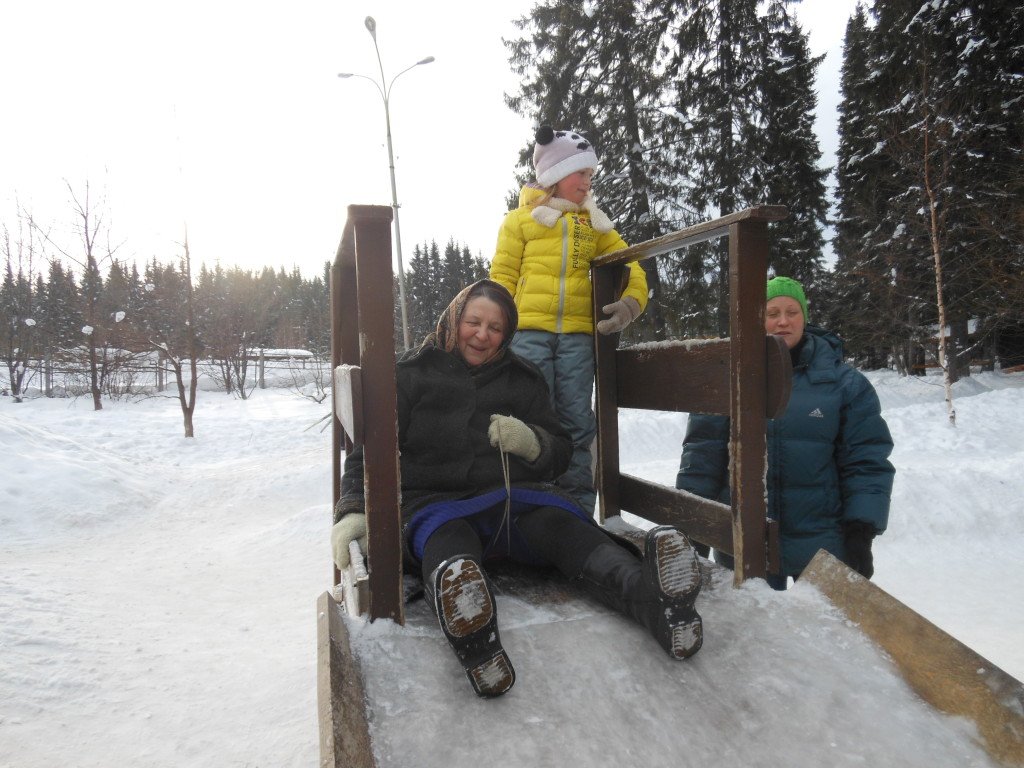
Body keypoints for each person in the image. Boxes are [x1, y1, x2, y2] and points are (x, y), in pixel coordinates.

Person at [331, 279, 702, 698]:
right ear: (454, 319)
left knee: (566, 528)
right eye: (474, 321)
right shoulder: (408, 374)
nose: (482, 334)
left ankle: (654, 601)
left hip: (517, 501)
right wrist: (354, 511)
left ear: (506, 334)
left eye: (494, 328)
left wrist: (531, 441)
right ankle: (475, 638)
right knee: (447, 543)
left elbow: (561, 451)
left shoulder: (523, 378)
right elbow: (370, 452)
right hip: (437, 503)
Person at [675, 276, 894, 590]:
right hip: (745, 541)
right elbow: (702, 457)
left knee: (821, 633)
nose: (782, 321)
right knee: (753, 633)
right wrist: (695, 527)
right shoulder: (728, 378)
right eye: (772, 312)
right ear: (757, 319)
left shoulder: (844, 384)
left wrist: (861, 528)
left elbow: (866, 459)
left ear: (805, 317)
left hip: (820, 541)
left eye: (792, 312)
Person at [489, 126, 649, 515]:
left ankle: (577, 508)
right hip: (527, 333)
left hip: (578, 336)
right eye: (582, 173)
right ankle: (532, 502)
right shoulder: (520, 221)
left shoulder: (594, 224)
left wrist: (631, 302)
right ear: (556, 174)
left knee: (578, 420)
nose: (588, 181)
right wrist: (496, 327)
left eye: (591, 175)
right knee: (531, 414)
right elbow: (501, 279)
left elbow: (633, 266)